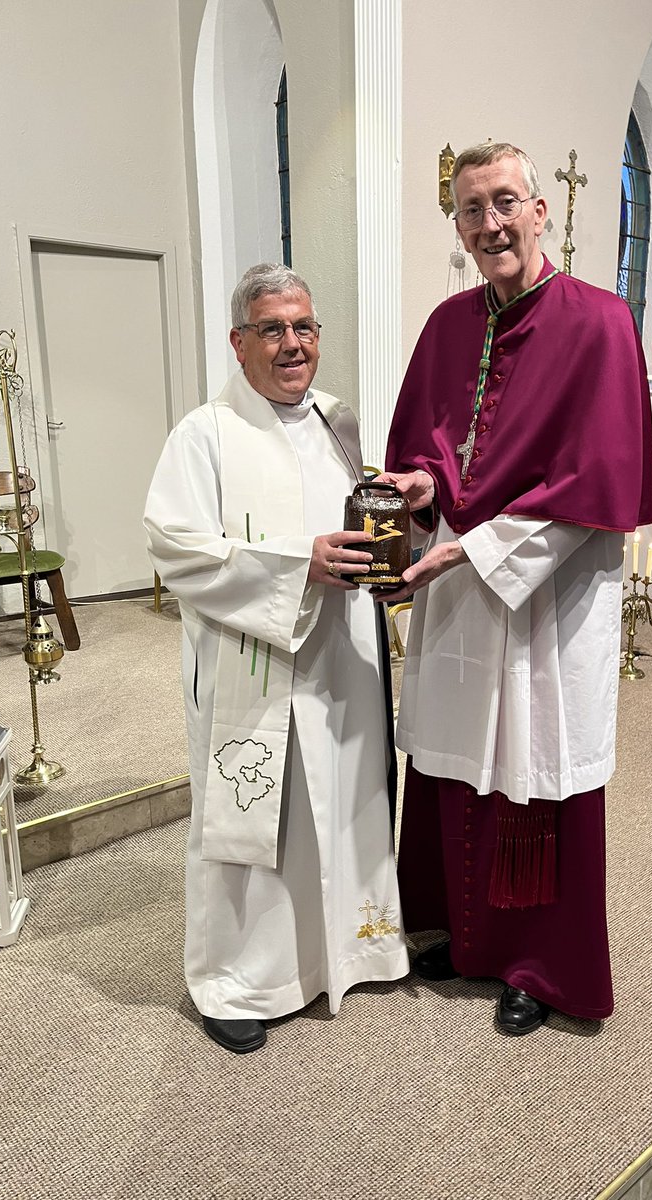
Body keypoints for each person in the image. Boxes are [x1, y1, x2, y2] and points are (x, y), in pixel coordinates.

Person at [379, 142, 652, 1036]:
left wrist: (482, 547)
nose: (490, 223)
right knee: (456, 758)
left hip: (545, 590)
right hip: (456, 585)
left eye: (505, 202)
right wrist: (423, 489)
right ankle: (459, 941)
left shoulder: (601, 322)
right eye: (471, 209)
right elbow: (425, 452)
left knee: (534, 772)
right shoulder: (446, 325)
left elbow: (598, 486)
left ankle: (537, 963)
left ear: (539, 211)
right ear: (456, 225)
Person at [144, 263, 408, 1054]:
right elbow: (176, 551)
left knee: (345, 800)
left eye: (304, 328)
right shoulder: (203, 435)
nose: (292, 345)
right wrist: (301, 563)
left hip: (341, 656)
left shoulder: (339, 420)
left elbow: (369, 513)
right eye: (272, 329)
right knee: (251, 821)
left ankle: (349, 952)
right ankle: (235, 981)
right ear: (239, 342)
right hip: (252, 666)